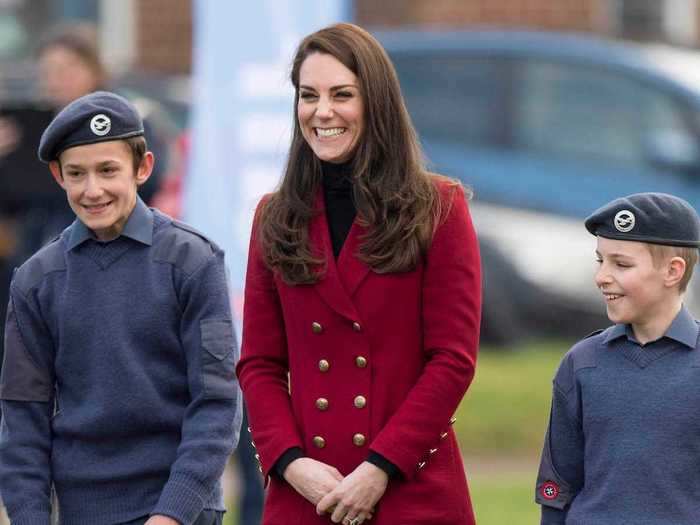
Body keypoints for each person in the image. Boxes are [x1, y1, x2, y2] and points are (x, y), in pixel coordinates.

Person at [236, 23, 482, 525]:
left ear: (375, 103)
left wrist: (381, 467)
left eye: (341, 95)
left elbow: (452, 359)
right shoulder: (274, 215)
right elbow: (259, 362)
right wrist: (289, 462)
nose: (322, 112)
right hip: (307, 494)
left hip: (409, 490)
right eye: (309, 96)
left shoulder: (439, 207)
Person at [0, 91, 241, 525]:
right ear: (58, 176)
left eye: (108, 170)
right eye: (77, 173)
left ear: (143, 167)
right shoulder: (36, 281)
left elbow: (217, 405)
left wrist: (172, 514)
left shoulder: (194, 262)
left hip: (184, 514)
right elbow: (22, 420)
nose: (93, 189)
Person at [536, 192, 700, 524]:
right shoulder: (581, 363)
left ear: (673, 271)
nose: (601, 277)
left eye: (621, 264)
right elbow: (558, 489)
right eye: (601, 260)